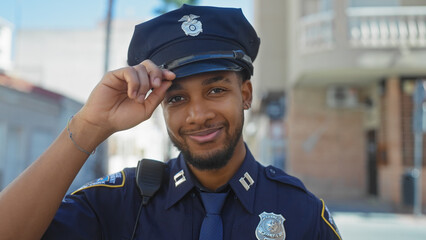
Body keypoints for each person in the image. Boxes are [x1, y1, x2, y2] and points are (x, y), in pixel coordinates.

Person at [0, 4, 342, 240]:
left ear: (246, 94)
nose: (198, 115)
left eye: (216, 90)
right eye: (176, 98)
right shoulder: (121, 203)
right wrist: (91, 127)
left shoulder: (301, 212)